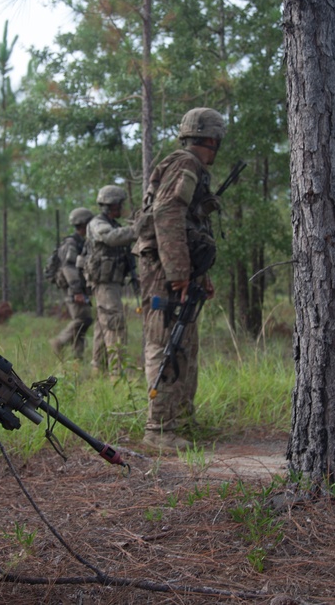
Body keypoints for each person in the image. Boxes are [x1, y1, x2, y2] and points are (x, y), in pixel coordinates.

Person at [135, 107, 226, 450]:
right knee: (166, 341)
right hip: (163, 268)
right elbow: (168, 212)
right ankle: (158, 429)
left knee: (184, 342)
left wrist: (198, 274)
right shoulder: (186, 164)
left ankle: (181, 420)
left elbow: (190, 225)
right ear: (211, 139)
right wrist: (177, 273)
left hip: (177, 267)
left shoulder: (188, 166)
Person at [86, 185, 139, 377]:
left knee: (103, 328)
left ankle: (97, 370)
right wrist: (136, 230)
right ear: (111, 205)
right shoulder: (97, 223)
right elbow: (110, 238)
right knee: (115, 325)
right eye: (120, 204)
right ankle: (118, 373)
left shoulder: (114, 224)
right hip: (105, 285)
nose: (122, 207)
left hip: (112, 284)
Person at [49, 207, 95, 360]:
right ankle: (59, 342)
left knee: (81, 323)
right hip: (73, 288)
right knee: (83, 319)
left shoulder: (81, 242)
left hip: (79, 287)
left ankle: (77, 357)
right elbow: (68, 266)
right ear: (84, 224)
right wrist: (76, 291)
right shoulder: (71, 243)